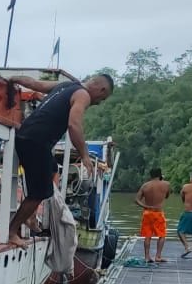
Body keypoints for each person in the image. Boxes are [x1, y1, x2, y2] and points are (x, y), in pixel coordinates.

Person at [7, 73, 114, 245]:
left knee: (53, 169)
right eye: (102, 98)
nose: (98, 103)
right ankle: (12, 232)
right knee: (40, 192)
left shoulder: (66, 86)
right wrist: (85, 155)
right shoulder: (83, 95)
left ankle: (31, 216)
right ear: (101, 90)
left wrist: (14, 78)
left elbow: (36, 84)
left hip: (26, 134)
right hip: (37, 141)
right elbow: (74, 124)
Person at [135, 168, 171, 264]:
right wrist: (162, 180)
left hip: (147, 213)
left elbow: (137, 200)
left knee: (147, 236)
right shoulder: (166, 184)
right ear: (160, 175)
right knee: (162, 235)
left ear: (150, 176)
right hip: (158, 213)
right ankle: (158, 256)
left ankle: (147, 257)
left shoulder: (145, 185)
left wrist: (145, 206)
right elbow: (167, 196)